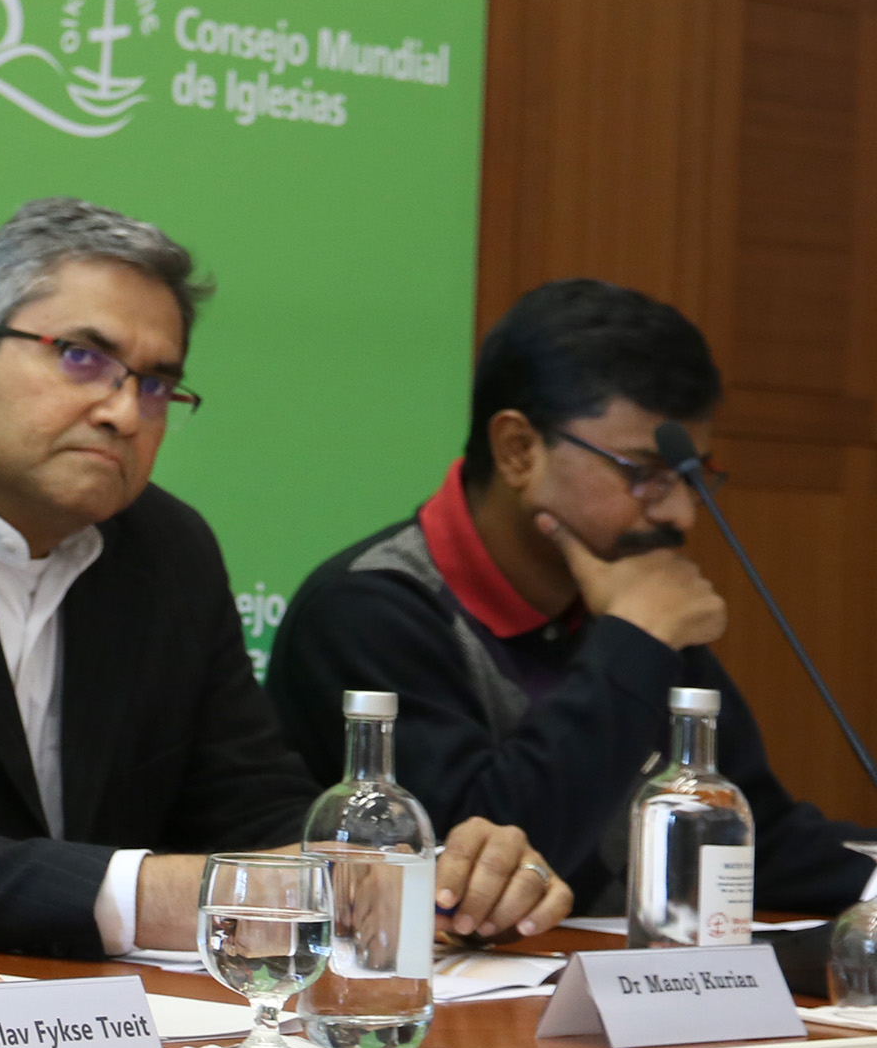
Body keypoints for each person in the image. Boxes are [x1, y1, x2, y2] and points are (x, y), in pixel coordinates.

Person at [0, 199, 573, 961]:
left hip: (107, 1029)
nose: (119, 409)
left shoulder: (166, 552)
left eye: (154, 385)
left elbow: (248, 803)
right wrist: (164, 894)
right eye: (81, 357)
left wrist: (411, 875)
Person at [269, 278, 875, 914]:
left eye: (695, 477)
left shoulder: (625, 598)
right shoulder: (368, 610)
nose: (681, 514)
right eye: (645, 474)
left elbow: (753, 847)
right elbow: (471, 875)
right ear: (518, 450)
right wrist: (635, 643)